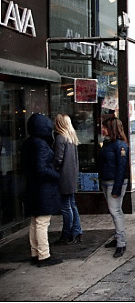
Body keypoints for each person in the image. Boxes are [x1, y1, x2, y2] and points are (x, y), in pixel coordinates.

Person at [21, 113, 62, 267]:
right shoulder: (41, 144)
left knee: (34, 221)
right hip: (43, 189)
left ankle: (35, 252)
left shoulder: (28, 142)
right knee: (42, 222)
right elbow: (41, 168)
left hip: (31, 187)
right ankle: (44, 255)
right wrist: (57, 175)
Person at [98, 116, 129, 258]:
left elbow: (122, 168)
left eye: (104, 127)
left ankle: (121, 243)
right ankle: (118, 238)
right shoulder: (108, 143)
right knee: (114, 211)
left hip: (114, 182)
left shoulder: (120, 145)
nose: (102, 129)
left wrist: (117, 188)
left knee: (115, 211)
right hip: (106, 181)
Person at [53, 114, 82, 245]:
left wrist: (53, 168)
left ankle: (67, 234)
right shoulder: (71, 138)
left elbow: (58, 159)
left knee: (66, 207)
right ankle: (76, 232)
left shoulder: (60, 138)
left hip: (64, 177)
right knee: (72, 205)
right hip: (72, 176)